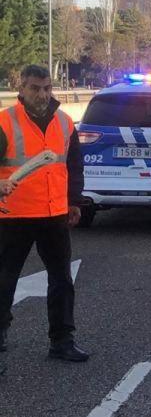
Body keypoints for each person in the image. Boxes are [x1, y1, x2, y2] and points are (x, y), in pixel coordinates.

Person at [0, 64, 88, 362]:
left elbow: (73, 165)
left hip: (54, 213)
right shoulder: (5, 122)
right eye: (35, 88)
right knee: (4, 280)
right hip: (14, 215)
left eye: (47, 88)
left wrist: (74, 201)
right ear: (21, 89)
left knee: (61, 279)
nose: (42, 94)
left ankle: (62, 340)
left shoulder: (64, 122)